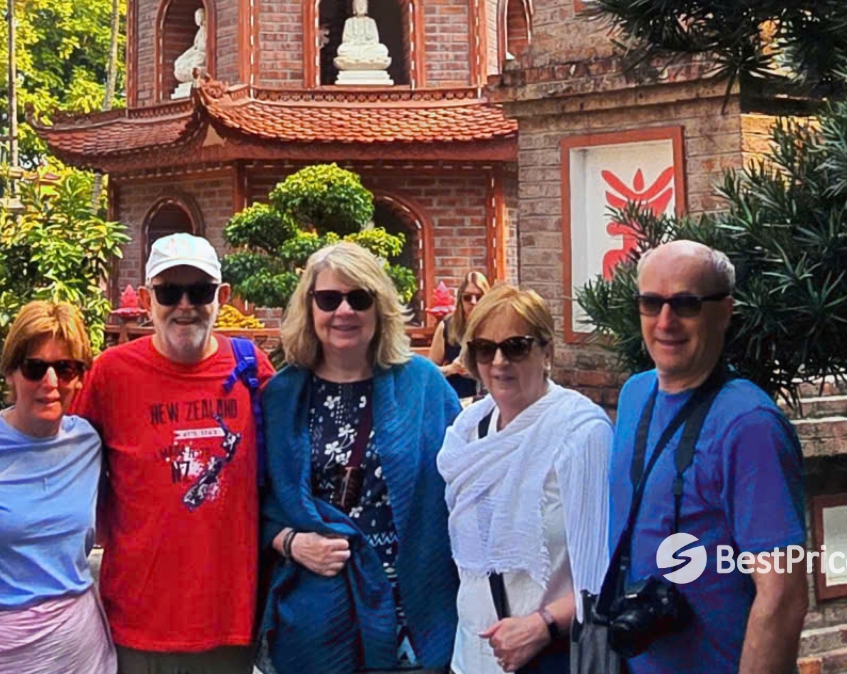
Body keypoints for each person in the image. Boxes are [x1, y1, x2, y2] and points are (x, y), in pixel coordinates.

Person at [71, 233, 275, 674]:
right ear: (146, 299)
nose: (185, 305)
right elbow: (68, 465)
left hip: (228, 620)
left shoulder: (251, 368)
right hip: (138, 618)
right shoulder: (112, 374)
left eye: (200, 291)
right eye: (169, 292)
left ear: (222, 297)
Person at [606, 240, 808, 673]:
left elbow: (783, 594)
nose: (665, 321)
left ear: (725, 311)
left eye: (686, 304)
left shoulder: (749, 425)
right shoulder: (634, 394)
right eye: (650, 303)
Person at [259, 242, 462, 674]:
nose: (344, 311)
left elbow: (468, 480)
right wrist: (292, 543)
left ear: (380, 306)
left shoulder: (421, 384)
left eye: (359, 298)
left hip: (410, 609)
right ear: (309, 308)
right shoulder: (281, 396)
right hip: (317, 611)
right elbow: (254, 506)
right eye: (329, 299)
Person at [437, 285, 612, 674]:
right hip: (470, 658)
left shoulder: (580, 432)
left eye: (516, 346)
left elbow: (602, 569)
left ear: (546, 352)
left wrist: (543, 626)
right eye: (485, 348)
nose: (499, 361)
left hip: (548, 656)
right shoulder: (466, 433)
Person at [0, 301, 115, 674]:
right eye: (35, 368)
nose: (50, 383)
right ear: (10, 373)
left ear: (80, 377)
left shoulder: (87, 443)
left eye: (66, 368)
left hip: (81, 647)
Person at [428, 271, 491, 400]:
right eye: (467, 297)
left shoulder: (495, 326)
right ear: (460, 300)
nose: (473, 302)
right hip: (456, 398)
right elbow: (430, 372)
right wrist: (452, 368)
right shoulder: (447, 326)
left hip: (487, 399)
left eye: (479, 297)